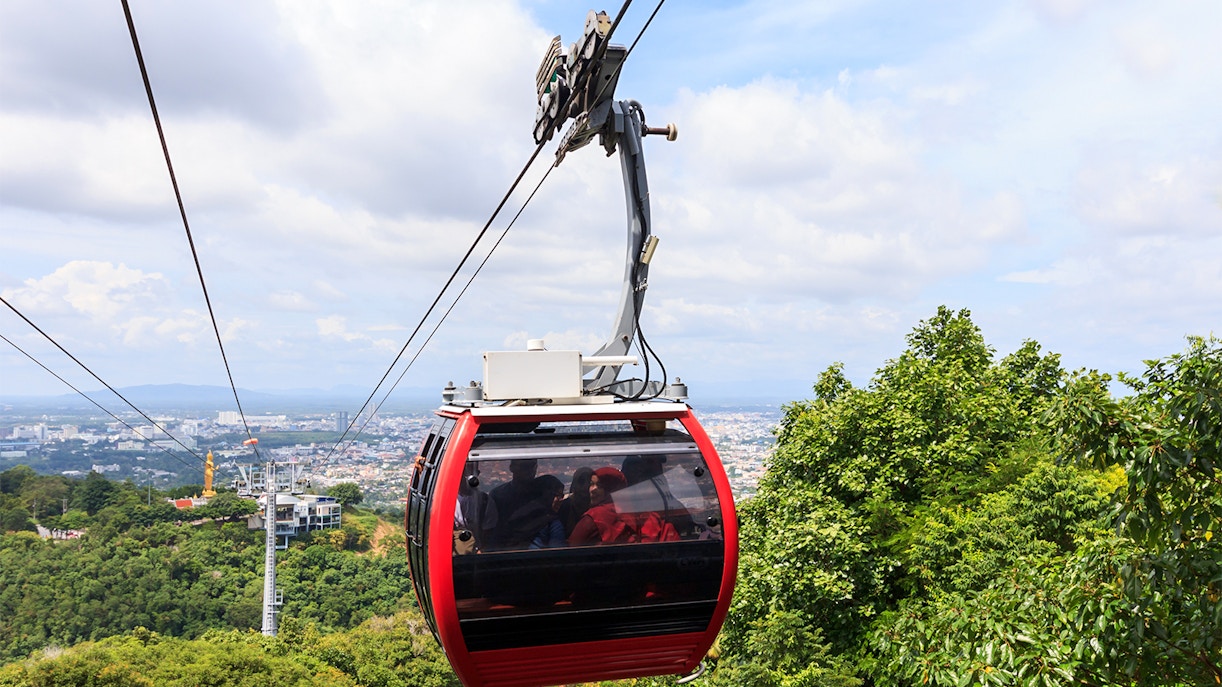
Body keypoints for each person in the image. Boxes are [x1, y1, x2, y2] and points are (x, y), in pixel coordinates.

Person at [487, 458, 539, 550]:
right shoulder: (498, 495)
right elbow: (492, 530)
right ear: (512, 468)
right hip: (505, 550)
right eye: (524, 466)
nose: (529, 470)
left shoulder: (542, 494)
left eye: (532, 466)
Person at [454, 462, 498, 554]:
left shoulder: (484, 501)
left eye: (470, 473)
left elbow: (489, 531)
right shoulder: (442, 499)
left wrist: (482, 548)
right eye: (462, 472)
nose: (465, 477)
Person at [557, 466, 594, 537]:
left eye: (589, 482)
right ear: (574, 484)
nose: (585, 486)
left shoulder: (599, 508)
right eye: (581, 481)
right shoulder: (565, 507)